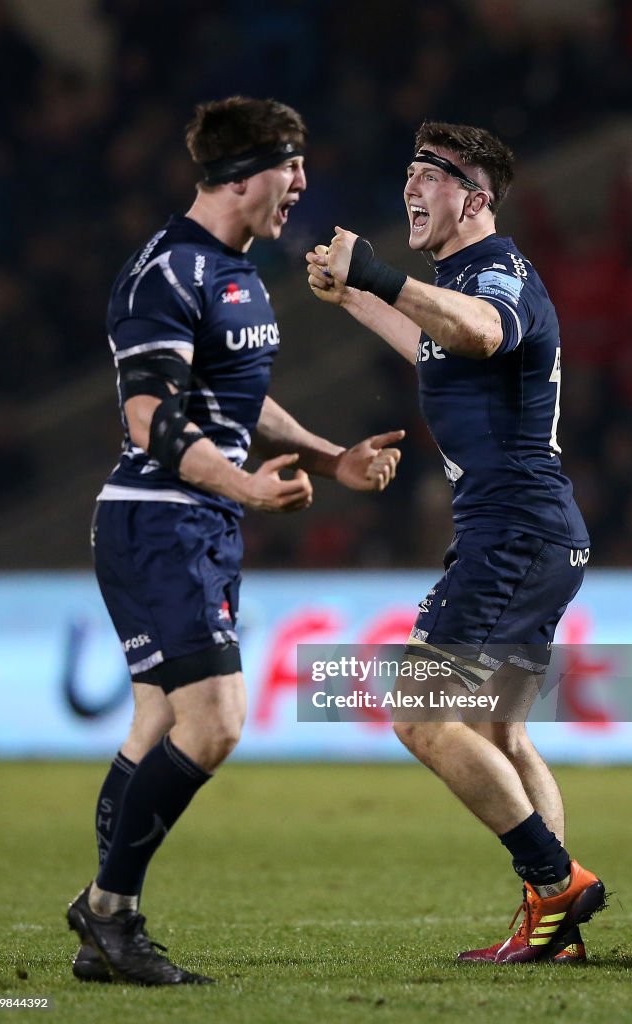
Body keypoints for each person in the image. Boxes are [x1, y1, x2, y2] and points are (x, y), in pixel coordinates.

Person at [66, 95, 404, 986]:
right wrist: (248, 484)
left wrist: (330, 461)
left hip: (196, 524)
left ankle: (108, 925)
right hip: (158, 520)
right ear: (242, 175)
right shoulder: (164, 274)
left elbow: (237, 405)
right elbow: (151, 418)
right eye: (291, 166)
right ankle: (109, 912)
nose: (301, 184)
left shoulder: (242, 273)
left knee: (157, 722)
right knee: (214, 724)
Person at [306, 121, 605, 964]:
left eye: (431, 175)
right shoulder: (460, 281)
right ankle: (552, 929)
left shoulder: (496, 272)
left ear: (475, 198)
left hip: (511, 533)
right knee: (502, 732)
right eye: (408, 172)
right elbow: (439, 346)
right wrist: (357, 295)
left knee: (419, 714)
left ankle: (557, 881)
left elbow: (478, 332)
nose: (412, 187)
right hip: (534, 531)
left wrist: (380, 274)